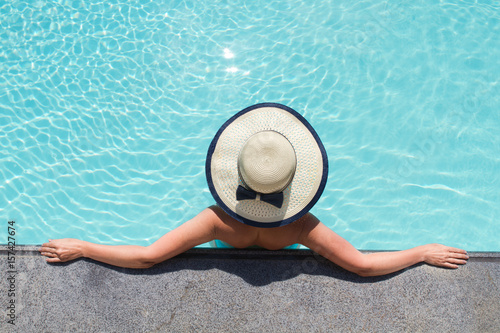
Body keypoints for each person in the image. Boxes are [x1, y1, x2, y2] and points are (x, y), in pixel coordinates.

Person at [39, 103, 468, 277]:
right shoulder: (301, 225)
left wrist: (84, 246)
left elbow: (149, 256)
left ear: (236, 176)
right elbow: (360, 265)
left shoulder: (218, 219)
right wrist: (419, 253)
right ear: (296, 181)